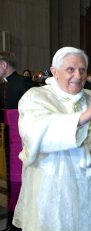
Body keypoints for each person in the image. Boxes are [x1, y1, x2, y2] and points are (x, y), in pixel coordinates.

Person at [12, 47, 91, 231]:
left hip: (90, 192)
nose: (78, 75)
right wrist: (83, 118)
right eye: (70, 69)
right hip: (52, 193)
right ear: (54, 71)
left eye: (82, 70)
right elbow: (37, 136)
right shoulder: (36, 97)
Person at [0, 51, 34, 231]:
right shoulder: (2, 86)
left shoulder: (24, 83)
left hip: (23, 141)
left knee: (24, 182)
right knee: (12, 184)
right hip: (7, 140)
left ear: (4, 65)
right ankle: (12, 223)